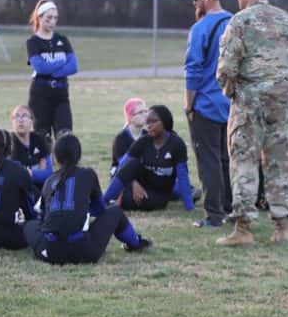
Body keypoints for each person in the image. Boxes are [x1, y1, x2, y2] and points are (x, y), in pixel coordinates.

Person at [216, 0, 288, 245]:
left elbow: (226, 67)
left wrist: (234, 93)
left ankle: (243, 229)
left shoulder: (240, 21)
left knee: (244, 160)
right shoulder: (287, 20)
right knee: (279, 162)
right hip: (281, 103)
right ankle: (282, 227)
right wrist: (286, 88)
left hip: (249, 102)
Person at [24, 133, 152, 264]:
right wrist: (81, 208)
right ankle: (135, 243)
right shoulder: (87, 174)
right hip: (83, 252)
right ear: (78, 155)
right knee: (115, 211)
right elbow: (101, 209)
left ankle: (43, 248)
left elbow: (45, 219)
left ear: (55, 158)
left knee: (29, 225)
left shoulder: (49, 180)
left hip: (51, 252)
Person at [182, 0, 234, 228]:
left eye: (195, 0)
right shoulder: (236, 23)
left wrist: (189, 105)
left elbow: (192, 71)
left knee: (209, 161)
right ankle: (229, 207)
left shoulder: (200, 28)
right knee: (227, 159)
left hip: (206, 104)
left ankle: (214, 215)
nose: (194, 5)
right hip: (231, 103)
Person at [103, 105, 195, 212]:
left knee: (133, 201)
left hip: (160, 192)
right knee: (132, 163)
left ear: (165, 122)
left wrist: (189, 206)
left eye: (154, 121)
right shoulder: (143, 141)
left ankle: (120, 200)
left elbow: (182, 175)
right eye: (147, 122)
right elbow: (123, 166)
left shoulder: (177, 144)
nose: (149, 126)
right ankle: (103, 201)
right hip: (142, 183)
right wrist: (134, 183)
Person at [26, 0, 78, 149]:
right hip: (40, 95)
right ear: (39, 17)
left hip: (61, 94)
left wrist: (52, 70)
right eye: (49, 18)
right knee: (42, 139)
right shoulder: (33, 42)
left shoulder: (62, 39)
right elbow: (39, 67)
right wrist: (61, 64)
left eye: (55, 18)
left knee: (65, 137)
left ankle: (65, 171)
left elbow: (73, 66)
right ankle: (45, 171)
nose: (52, 22)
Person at [256, 90, 288, 211]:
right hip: (262, 137)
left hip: (280, 141)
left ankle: (279, 201)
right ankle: (262, 197)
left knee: (276, 168)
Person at [10, 105, 53, 191]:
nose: (20, 120)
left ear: (32, 121)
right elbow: (13, 176)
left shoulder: (40, 141)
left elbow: (48, 174)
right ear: (12, 122)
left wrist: (30, 173)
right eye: (17, 116)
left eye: (24, 116)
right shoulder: (8, 143)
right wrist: (37, 170)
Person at [110, 98, 148, 178]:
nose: (145, 115)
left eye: (146, 111)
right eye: (140, 112)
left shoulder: (148, 135)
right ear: (130, 117)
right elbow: (123, 166)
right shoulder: (121, 138)